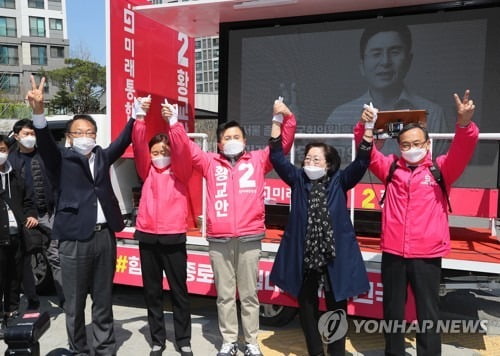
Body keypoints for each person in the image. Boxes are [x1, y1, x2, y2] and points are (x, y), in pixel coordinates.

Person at [162, 99, 296, 356]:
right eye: (226, 137)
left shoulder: (258, 160)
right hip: (219, 238)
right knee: (224, 296)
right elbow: (186, 148)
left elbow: (283, 144)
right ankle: (229, 341)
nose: (231, 140)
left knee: (249, 296)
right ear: (219, 143)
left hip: (249, 237)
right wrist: (173, 123)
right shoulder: (209, 162)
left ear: (245, 141)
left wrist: (285, 118)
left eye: (236, 136)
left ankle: (252, 342)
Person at [354, 90, 478, 356]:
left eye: (417, 143)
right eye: (406, 145)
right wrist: (364, 125)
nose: (412, 149)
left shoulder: (440, 170)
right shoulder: (389, 169)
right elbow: (366, 152)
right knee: (392, 312)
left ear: (428, 144)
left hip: (427, 254)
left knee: (428, 313)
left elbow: (463, 149)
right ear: (399, 147)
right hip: (394, 254)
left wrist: (464, 125)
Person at [26, 75, 137, 355]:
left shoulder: (100, 156)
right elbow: (45, 144)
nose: (85, 137)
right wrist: (38, 113)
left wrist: (134, 119)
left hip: (104, 237)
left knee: (103, 298)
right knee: (74, 303)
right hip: (74, 239)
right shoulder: (59, 159)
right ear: (69, 137)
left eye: (90, 132)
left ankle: (105, 347)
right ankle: (79, 349)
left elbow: (121, 145)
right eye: (79, 132)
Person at [269, 115, 373, 356]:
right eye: (307, 158)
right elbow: (276, 156)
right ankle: (315, 350)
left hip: (334, 254)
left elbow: (362, 161)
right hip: (305, 255)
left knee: (337, 305)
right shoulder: (297, 179)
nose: (310, 162)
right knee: (306, 305)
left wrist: (368, 128)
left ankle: (336, 352)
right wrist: (276, 120)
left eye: (316, 159)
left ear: (328, 164)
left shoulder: (340, 180)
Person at [326, 22, 447, 161]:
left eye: (394, 52)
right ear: (362, 65)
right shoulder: (340, 116)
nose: (385, 62)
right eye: (376, 54)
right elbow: (330, 167)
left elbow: (440, 168)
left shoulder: (433, 113)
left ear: (409, 60)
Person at [131, 97, 193, 356]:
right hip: (147, 237)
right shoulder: (146, 170)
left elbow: (181, 148)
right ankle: (158, 339)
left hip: (173, 237)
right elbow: (138, 145)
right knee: (152, 292)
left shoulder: (180, 170)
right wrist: (139, 118)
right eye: (155, 152)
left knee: (179, 292)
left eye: (164, 152)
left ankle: (183, 340)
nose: (159, 156)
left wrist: (174, 123)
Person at [9, 119, 65, 310]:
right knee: (26, 258)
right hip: (24, 217)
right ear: (16, 136)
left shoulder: (44, 155)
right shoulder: (10, 161)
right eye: (26, 134)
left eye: (32, 134)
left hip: (48, 213)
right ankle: (32, 299)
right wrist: (24, 216)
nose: (30, 138)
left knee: (55, 256)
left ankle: (65, 298)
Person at [0, 134, 38, 326]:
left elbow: (28, 199)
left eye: (3, 150)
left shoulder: (14, 175)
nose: (1, 154)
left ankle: (12, 312)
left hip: (16, 235)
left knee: (14, 278)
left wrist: (31, 214)